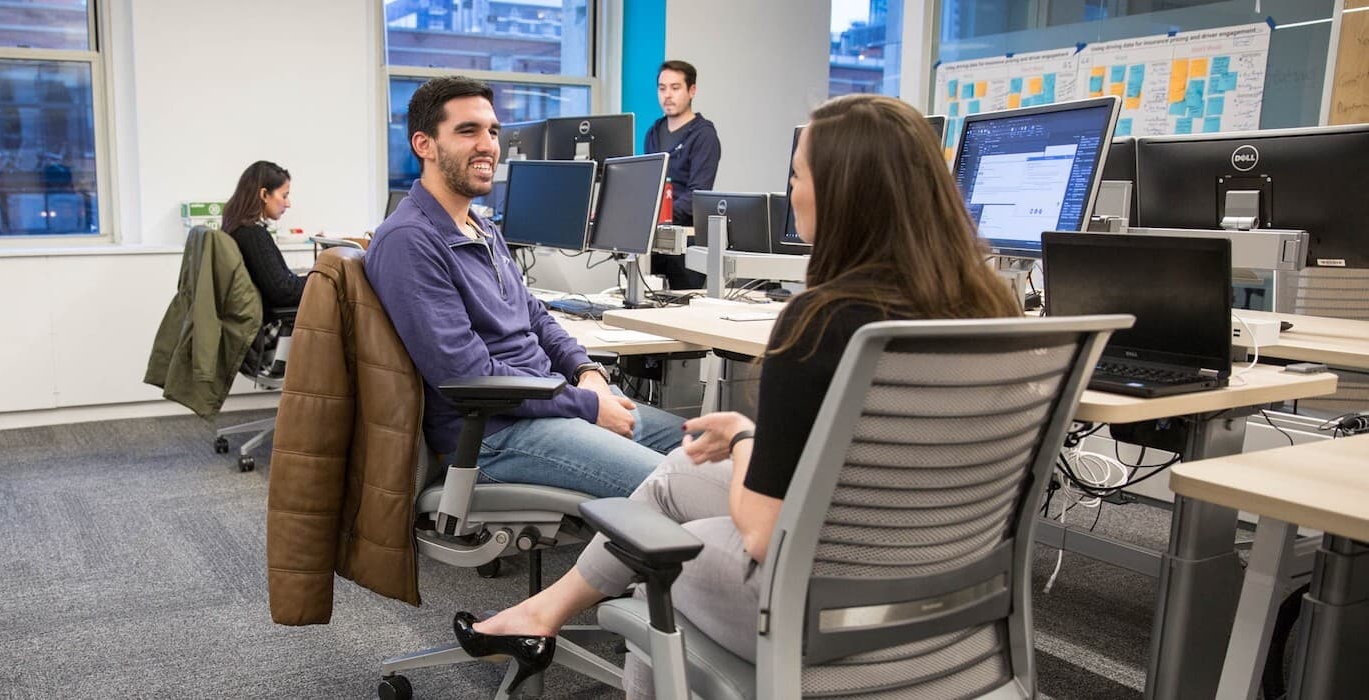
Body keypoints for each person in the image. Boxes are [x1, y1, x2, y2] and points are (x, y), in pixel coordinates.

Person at [452, 94, 1022, 696]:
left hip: (813, 606)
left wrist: (750, 436)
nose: (793, 189)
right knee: (676, 473)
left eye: (797, 175)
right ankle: (541, 612)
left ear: (838, 194)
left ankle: (581, 622)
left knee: (657, 567)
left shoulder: (820, 322)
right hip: (956, 593)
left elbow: (759, 529)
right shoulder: (999, 311)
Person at [365, 76, 684, 500]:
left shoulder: (482, 226)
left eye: (492, 131)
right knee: (680, 488)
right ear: (424, 144)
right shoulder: (409, 240)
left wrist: (586, 372)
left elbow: (532, 314)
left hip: (547, 404)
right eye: (468, 131)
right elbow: (467, 375)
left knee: (707, 453)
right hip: (494, 433)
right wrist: (588, 405)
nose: (488, 144)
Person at [645, 59, 721, 290]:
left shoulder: (704, 136)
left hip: (686, 242)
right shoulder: (654, 133)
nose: (667, 95)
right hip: (653, 239)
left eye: (675, 88)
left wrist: (660, 217)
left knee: (679, 305)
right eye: (662, 88)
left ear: (692, 91)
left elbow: (697, 193)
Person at [221, 160, 304, 321]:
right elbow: (283, 291)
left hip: (252, 323)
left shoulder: (237, 228)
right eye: (284, 196)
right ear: (264, 194)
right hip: (268, 327)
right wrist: (319, 280)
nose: (288, 204)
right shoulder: (253, 235)